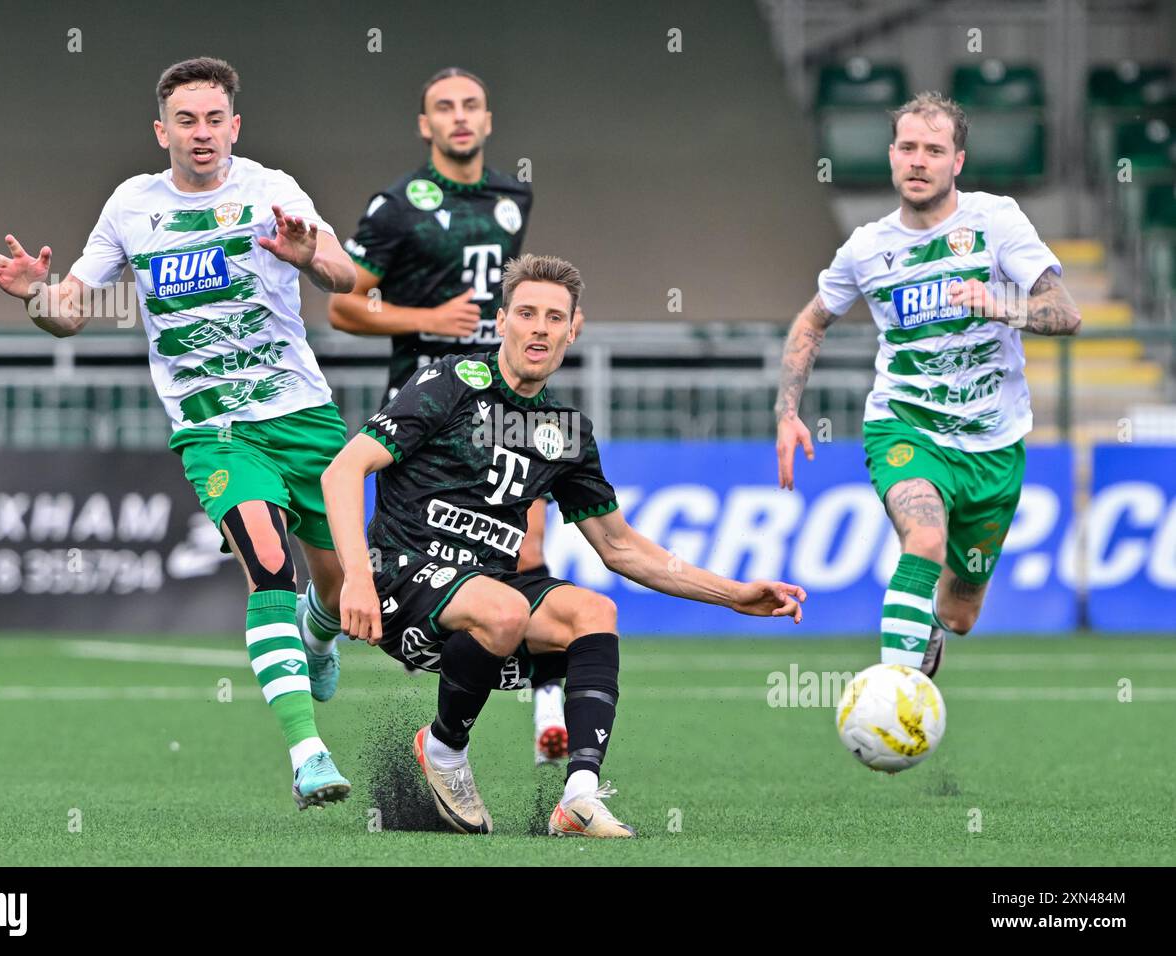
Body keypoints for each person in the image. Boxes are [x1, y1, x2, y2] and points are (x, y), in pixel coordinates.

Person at [0, 57, 359, 810]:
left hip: (301, 415)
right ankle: (307, 752)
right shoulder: (130, 206)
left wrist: (308, 254)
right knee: (268, 565)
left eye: (215, 119)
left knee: (336, 582)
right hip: (212, 427)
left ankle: (320, 635)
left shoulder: (271, 190)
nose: (202, 133)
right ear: (162, 132)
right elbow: (70, 315)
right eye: (186, 120)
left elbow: (346, 277)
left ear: (235, 127)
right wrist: (35, 295)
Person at [322, 253, 806, 837]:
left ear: (573, 330)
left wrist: (734, 595)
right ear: (501, 322)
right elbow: (344, 471)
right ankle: (445, 751)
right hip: (400, 581)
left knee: (593, 611)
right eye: (526, 313)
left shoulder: (567, 432)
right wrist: (353, 576)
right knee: (504, 608)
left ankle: (578, 797)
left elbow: (621, 549)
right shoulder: (451, 382)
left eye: (554, 317)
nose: (539, 328)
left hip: (486, 599)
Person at [775, 92, 1081, 676]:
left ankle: (933, 627)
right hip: (906, 424)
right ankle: (896, 692)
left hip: (993, 445)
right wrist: (788, 410)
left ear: (957, 162)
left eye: (934, 150)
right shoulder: (867, 248)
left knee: (962, 611)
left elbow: (1065, 313)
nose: (919, 161)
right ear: (892, 156)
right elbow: (812, 322)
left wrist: (1000, 304)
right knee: (924, 539)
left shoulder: (996, 221)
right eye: (908, 147)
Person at [328, 67, 577, 764]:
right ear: (425, 124)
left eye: (471, 105)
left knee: (528, 553)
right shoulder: (397, 206)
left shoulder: (512, 196)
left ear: (488, 120)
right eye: (445, 107)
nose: (459, 117)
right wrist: (426, 317)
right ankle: (336, 618)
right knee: (411, 567)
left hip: (504, 406)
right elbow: (344, 306)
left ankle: (548, 711)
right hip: (426, 411)